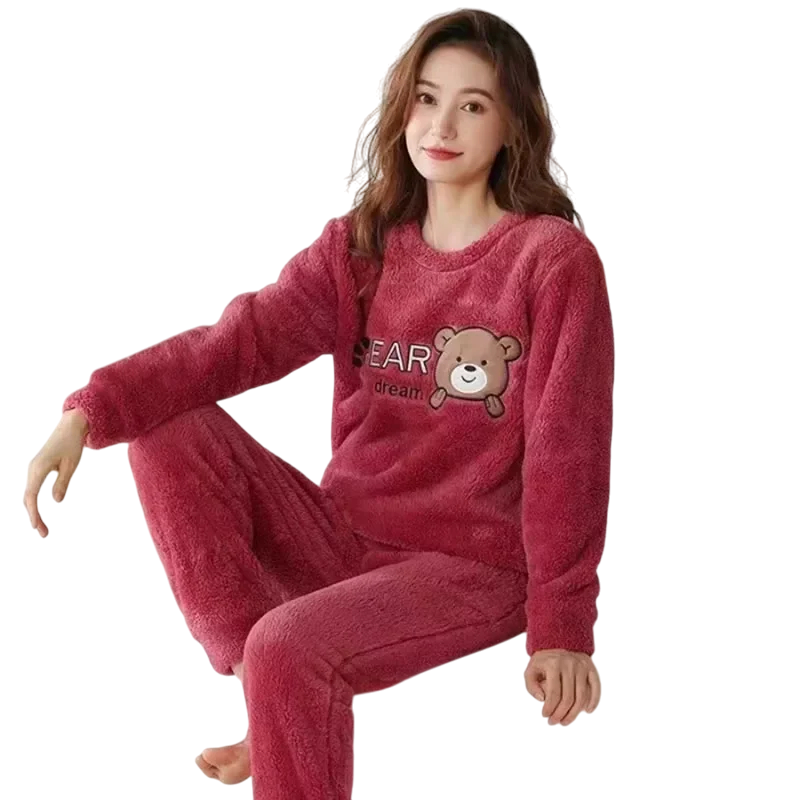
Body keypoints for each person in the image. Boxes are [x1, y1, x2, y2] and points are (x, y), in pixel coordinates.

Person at [23, 9, 614, 798]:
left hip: (474, 563)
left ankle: (276, 677)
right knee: (163, 430)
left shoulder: (551, 261)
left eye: (473, 105)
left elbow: (570, 447)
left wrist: (563, 625)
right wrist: (90, 411)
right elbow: (238, 341)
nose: (441, 125)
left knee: (289, 645)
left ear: (512, 125)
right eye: (426, 98)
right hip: (343, 536)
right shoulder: (362, 245)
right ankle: (265, 694)